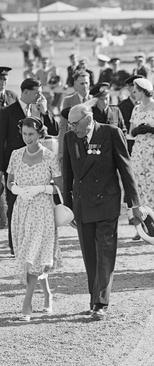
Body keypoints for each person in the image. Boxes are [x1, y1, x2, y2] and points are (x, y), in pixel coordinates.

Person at [61, 104, 142, 320]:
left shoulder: (110, 133)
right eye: (70, 123)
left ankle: (101, 302)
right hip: (82, 205)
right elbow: (67, 174)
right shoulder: (70, 138)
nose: (72, 127)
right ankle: (94, 297)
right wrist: (68, 208)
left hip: (106, 202)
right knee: (90, 255)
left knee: (105, 253)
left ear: (88, 119)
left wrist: (134, 202)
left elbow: (126, 169)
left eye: (76, 123)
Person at [6, 117, 63, 321]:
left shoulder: (49, 156)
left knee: (31, 255)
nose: (27, 138)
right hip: (22, 209)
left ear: (40, 133)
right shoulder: (15, 154)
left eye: (31, 134)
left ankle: (27, 304)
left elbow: (59, 186)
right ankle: (47, 293)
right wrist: (18, 189)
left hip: (42, 210)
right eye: (24, 134)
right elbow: (9, 182)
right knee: (32, 255)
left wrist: (41, 188)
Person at [0, 78, 58, 255]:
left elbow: (55, 129)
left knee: (39, 203)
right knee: (14, 204)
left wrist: (45, 112)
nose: (40, 96)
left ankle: (36, 243)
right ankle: (15, 245)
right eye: (37, 92)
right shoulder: (7, 112)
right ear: (26, 92)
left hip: (40, 164)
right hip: (16, 164)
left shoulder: (39, 109)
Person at [129, 78, 154, 213]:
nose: (134, 92)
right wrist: (137, 130)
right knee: (139, 186)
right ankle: (146, 226)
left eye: (136, 90)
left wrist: (150, 129)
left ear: (143, 91)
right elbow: (131, 131)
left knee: (152, 185)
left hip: (152, 152)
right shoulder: (136, 108)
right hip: (138, 152)